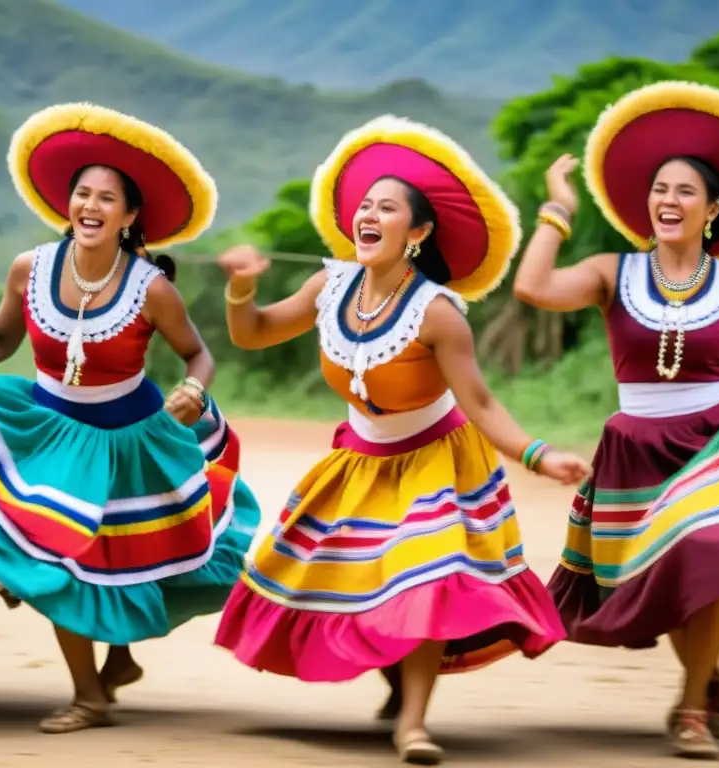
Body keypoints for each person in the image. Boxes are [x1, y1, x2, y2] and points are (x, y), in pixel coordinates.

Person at [212, 114, 591, 765]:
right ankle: (396, 681)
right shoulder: (329, 284)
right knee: (360, 580)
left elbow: (479, 403)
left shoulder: (438, 313)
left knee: (424, 576)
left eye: (387, 208)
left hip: (436, 460)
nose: (369, 214)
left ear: (416, 233)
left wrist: (538, 454)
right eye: (365, 206)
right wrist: (242, 287)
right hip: (359, 461)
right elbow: (253, 333)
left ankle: (413, 724)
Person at [0, 102, 261, 733]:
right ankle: (92, 688)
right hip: (49, 430)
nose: (90, 206)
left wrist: (193, 394)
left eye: (107, 198)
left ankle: (110, 671)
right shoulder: (28, 269)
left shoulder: (152, 288)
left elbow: (199, 355)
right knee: (60, 559)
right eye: (82, 195)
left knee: (117, 560)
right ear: (67, 205)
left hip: (131, 440)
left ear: (129, 216)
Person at [512, 81, 719, 759]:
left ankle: (689, 710)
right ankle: (708, 670)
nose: (668, 200)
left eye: (686, 191)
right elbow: (533, 287)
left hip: (718, 442)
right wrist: (556, 210)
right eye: (661, 188)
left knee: (709, 548)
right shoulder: (612, 272)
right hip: (634, 449)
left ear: (715, 209)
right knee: (666, 571)